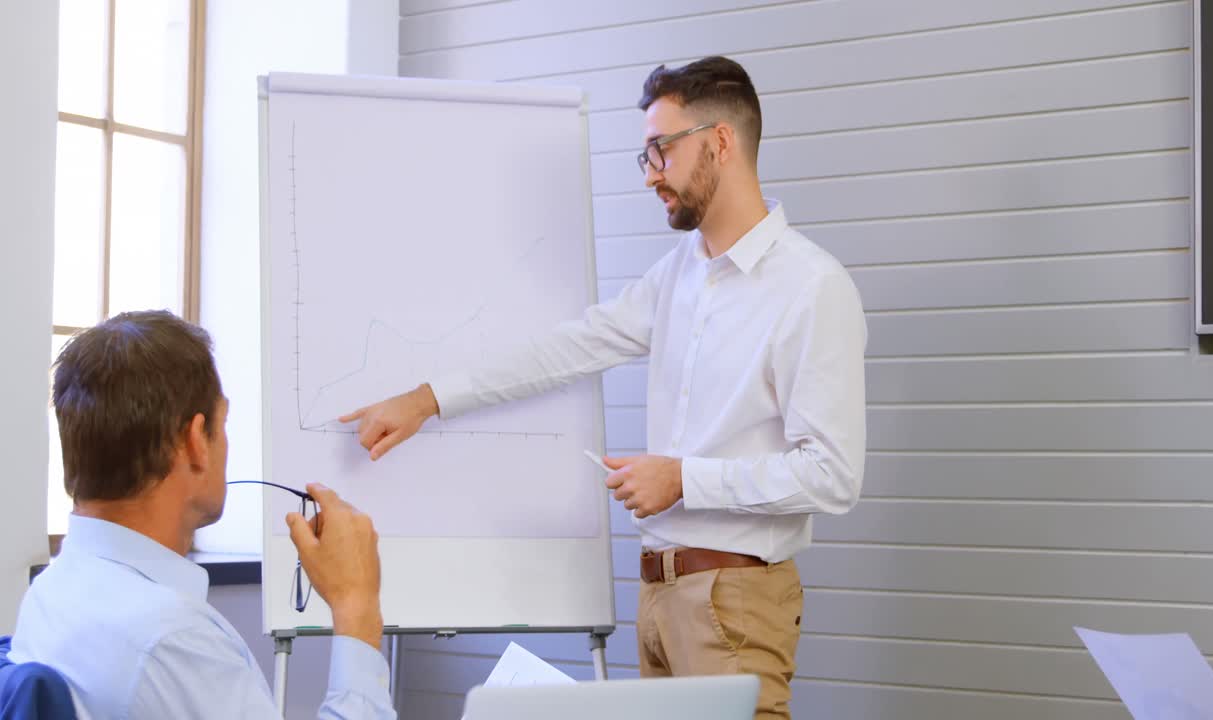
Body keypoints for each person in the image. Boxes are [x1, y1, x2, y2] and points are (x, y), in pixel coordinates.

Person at [342, 56, 866, 720]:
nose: (650, 174)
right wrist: (427, 398)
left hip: (734, 603)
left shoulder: (811, 288)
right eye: (643, 155)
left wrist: (683, 479)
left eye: (661, 150)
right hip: (657, 599)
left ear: (721, 142)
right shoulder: (679, 275)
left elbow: (833, 475)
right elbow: (568, 348)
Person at [11, 310, 395, 719]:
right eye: (223, 422)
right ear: (196, 440)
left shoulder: (51, 591)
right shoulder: (171, 641)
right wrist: (356, 606)